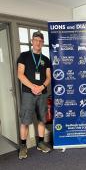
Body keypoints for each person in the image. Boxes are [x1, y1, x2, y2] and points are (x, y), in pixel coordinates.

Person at [17, 31, 51, 159]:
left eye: (40, 41)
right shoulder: (24, 56)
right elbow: (20, 74)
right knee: (25, 121)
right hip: (28, 94)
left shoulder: (45, 59)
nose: (38, 42)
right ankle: (23, 146)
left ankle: (40, 143)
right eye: (36, 40)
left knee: (42, 119)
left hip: (42, 93)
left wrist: (41, 87)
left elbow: (48, 77)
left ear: (42, 42)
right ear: (32, 41)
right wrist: (33, 87)